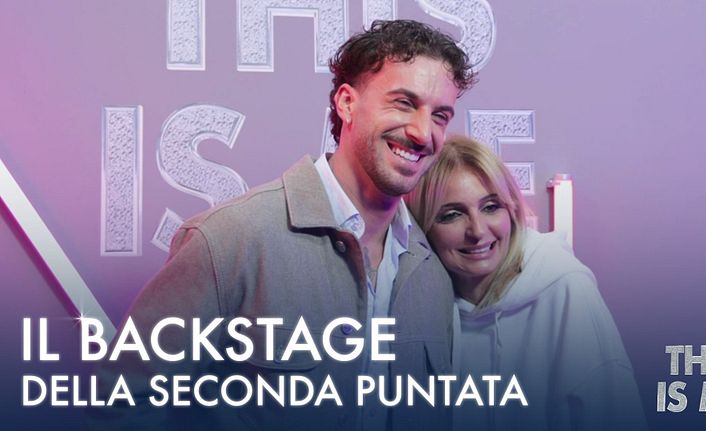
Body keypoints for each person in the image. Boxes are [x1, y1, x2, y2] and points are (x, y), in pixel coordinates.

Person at [88, 20, 475, 431]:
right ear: (347, 103)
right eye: (403, 103)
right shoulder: (229, 239)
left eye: (440, 116)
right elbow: (120, 406)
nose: (423, 132)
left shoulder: (432, 271)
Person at [406, 135, 648, 431]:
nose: (477, 231)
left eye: (491, 207)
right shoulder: (420, 310)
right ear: (423, 227)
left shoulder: (566, 288)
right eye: (452, 215)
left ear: (512, 211)